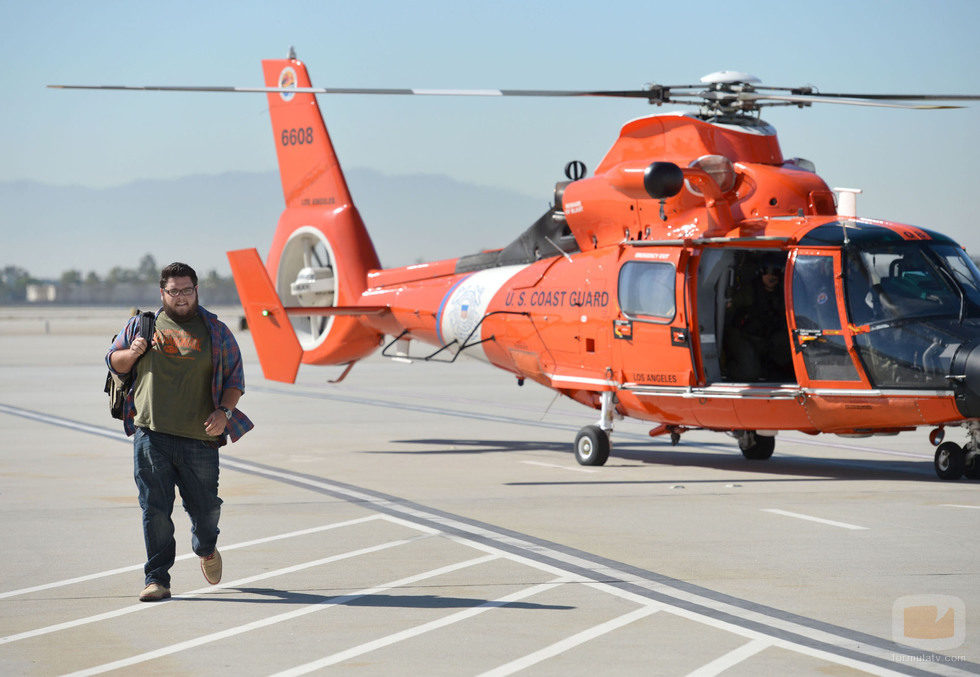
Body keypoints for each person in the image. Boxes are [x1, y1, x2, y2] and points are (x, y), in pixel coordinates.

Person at [106, 262, 253, 602]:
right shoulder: (141, 325)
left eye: (187, 290)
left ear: (196, 290)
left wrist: (224, 412)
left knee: (205, 511)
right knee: (155, 509)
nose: (181, 297)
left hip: (199, 440)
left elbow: (235, 381)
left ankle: (206, 546)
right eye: (174, 291)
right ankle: (157, 578)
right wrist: (132, 352)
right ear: (163, 293)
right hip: (150, 435)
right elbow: (113, 360)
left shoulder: (215, 331)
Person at [725, 263, 793, 381]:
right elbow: (729, 310)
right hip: (744, 337)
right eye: (767, 271)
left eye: (775, 272)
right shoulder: (749, 291)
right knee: (749, 372)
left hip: (769, 339)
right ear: (761, 273)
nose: (771, 276)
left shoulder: (784, 293)